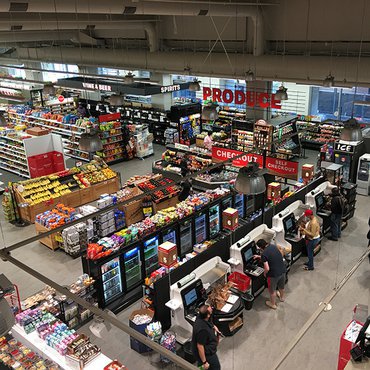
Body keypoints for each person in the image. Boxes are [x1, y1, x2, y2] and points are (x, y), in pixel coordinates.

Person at [255, 239, 287, 310]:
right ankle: (282, 298)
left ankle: (273, 304)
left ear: (260, 247)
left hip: (273, 275)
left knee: (272, 291)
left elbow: (267, 268)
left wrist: (265, 273)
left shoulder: (264, 254)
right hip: (282, 270)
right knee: (281, 287)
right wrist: (259, 257)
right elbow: (272, 256)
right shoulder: (273, 246)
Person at [192, 304, 221, 370]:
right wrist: (204, 362)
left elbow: (209, 321)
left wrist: (213, 326)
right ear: (207, 315)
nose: (211, 308)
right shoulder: (202, 330)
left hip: (206, 348)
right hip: (207, 353)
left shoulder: (201, 316)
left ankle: (201, 366)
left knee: (201, 364)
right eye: (210, 310)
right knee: (216, 367)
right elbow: (200, 346)